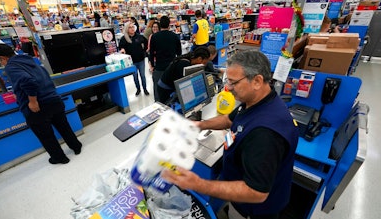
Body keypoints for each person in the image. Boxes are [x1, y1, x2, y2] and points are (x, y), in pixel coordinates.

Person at [162, 50, 299, 219]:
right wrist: (198, 125)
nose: (229, 88)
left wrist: (199, 184)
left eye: (233, 83)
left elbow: (256, 192)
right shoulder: (258, 100)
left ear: (257, 81)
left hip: (253, 210)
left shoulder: (264, 134)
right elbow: (229, 120)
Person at [0, 44, 83, 164]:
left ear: (3, 57)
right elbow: (41, 78)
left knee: (46, 135)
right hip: (53, 100)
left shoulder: (11, 67)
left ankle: (59, 158)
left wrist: (33, 102)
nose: (0, 63)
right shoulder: (30, 60)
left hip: (39, 107)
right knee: (64, 126)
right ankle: (76, 146)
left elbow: (28, 81)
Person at [149, 16, 182, 101]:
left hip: (159, 67)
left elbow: (151, 53)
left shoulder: (154, 37)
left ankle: (158, 106)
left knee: (158, 90)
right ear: (169, 25)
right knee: (172, 88)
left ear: (160, 25)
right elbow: (179, 53)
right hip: (172, 67)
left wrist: (152, 66)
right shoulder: (175, 36)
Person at [118, 22, 149, 96]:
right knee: (135, 77)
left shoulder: (139, 36)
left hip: (141, 60)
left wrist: (144, 51)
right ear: (126, 29)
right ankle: (138, 89)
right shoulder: (124, 39)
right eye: (130, 27)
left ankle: (145, 89)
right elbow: (121, 47)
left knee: (143, 76)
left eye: (133, 27)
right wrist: (122, 50)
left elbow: (146, 43)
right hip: (131, 62)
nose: (132, 29)